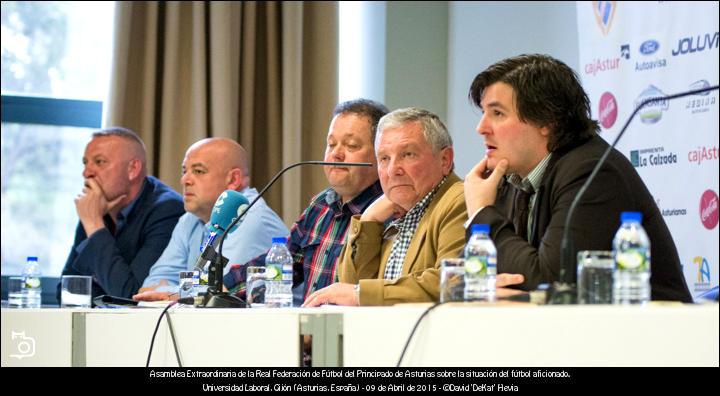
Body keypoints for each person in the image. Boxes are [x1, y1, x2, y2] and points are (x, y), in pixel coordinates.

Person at [462, 54, 691, 302]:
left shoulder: (593, 172)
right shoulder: (509, 179)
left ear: (546, 121)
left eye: (497, 113)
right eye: (484, 113)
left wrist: (482, 212)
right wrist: (484, 286)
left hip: (651, 332)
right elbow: (469, 275)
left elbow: (552, 283)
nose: (481, 127)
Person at [304, 107, 524, 307]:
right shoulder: (394, 211)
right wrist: (369, 220)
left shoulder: (461, 200)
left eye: (408, 155)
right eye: (384, 158)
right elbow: (349, 287)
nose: (393, 170)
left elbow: (451, 282)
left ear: (445, 160)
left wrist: (360, 293)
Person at [222, 99, 387, 304]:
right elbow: (283, 265)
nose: (336, 154)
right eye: (331, 144)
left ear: (381, 155)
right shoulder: (320, 206)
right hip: (311, 329)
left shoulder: (389, 210)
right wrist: (221, 288)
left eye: (351, 145)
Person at [132, 138, 288, 301]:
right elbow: (150, 286)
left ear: (233, 179)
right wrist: (183, 289)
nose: (185, 180)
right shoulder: (190, 219)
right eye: (184, 171)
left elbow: (220, 293)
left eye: (198, 171)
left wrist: (174, 290)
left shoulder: (249, 218)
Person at [60, 127, 185, 299]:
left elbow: (132, 296)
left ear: (133, 169)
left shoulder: (167, 210)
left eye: (99, 162)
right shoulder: (96, 207)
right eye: (85, 162)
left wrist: (95, 225)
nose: (86, 172)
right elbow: (68, 292)